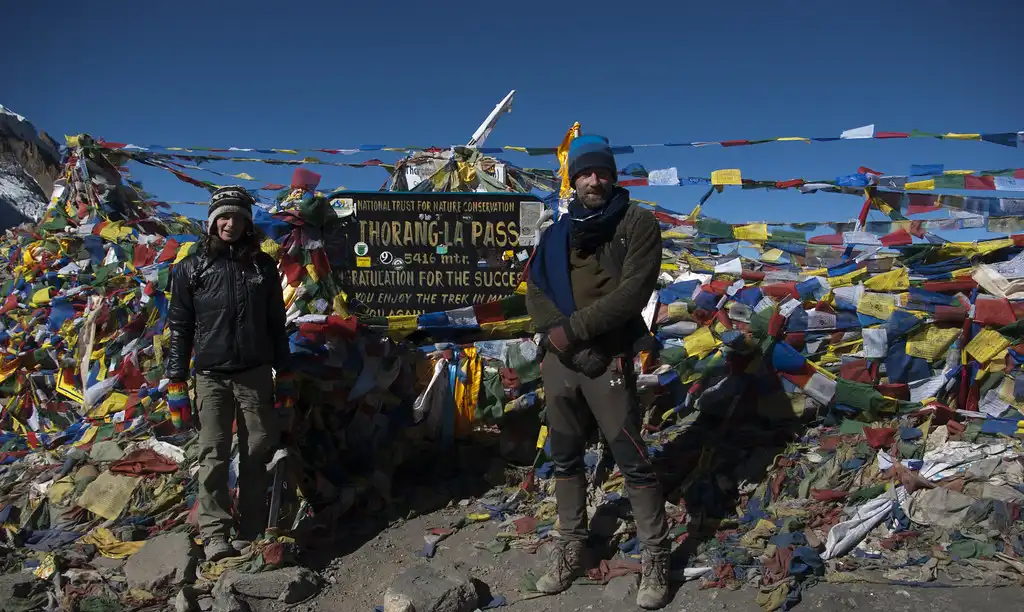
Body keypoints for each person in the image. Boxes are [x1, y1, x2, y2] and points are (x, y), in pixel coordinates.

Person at [526, 135, 671, 609]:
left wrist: (575, 334)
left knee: (629, 454)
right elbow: (536, 290)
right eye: (585, 172)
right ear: (574, 177)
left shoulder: (637, 224)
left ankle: (655, 556)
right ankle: (572, 547)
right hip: (561, 361)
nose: (594, 180)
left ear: (613, 176)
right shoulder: (556, 234)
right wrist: (557, 338)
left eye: (602, 172)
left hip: (609, 357)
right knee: (564, 454)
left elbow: (633, 293)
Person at [166, 186, 293, 562]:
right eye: (224, 216)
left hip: (254, 373)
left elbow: (276, 324)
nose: (230, 223)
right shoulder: (191, 268)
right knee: (214, 453)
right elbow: (180, 327)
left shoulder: (262, 267)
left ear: (247, 222)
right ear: (211, 221)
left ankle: (251, 526)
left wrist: (284, 373)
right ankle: (215, 532)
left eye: (238, 217)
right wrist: (176, 381)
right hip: (211, 376)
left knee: (258, 449)